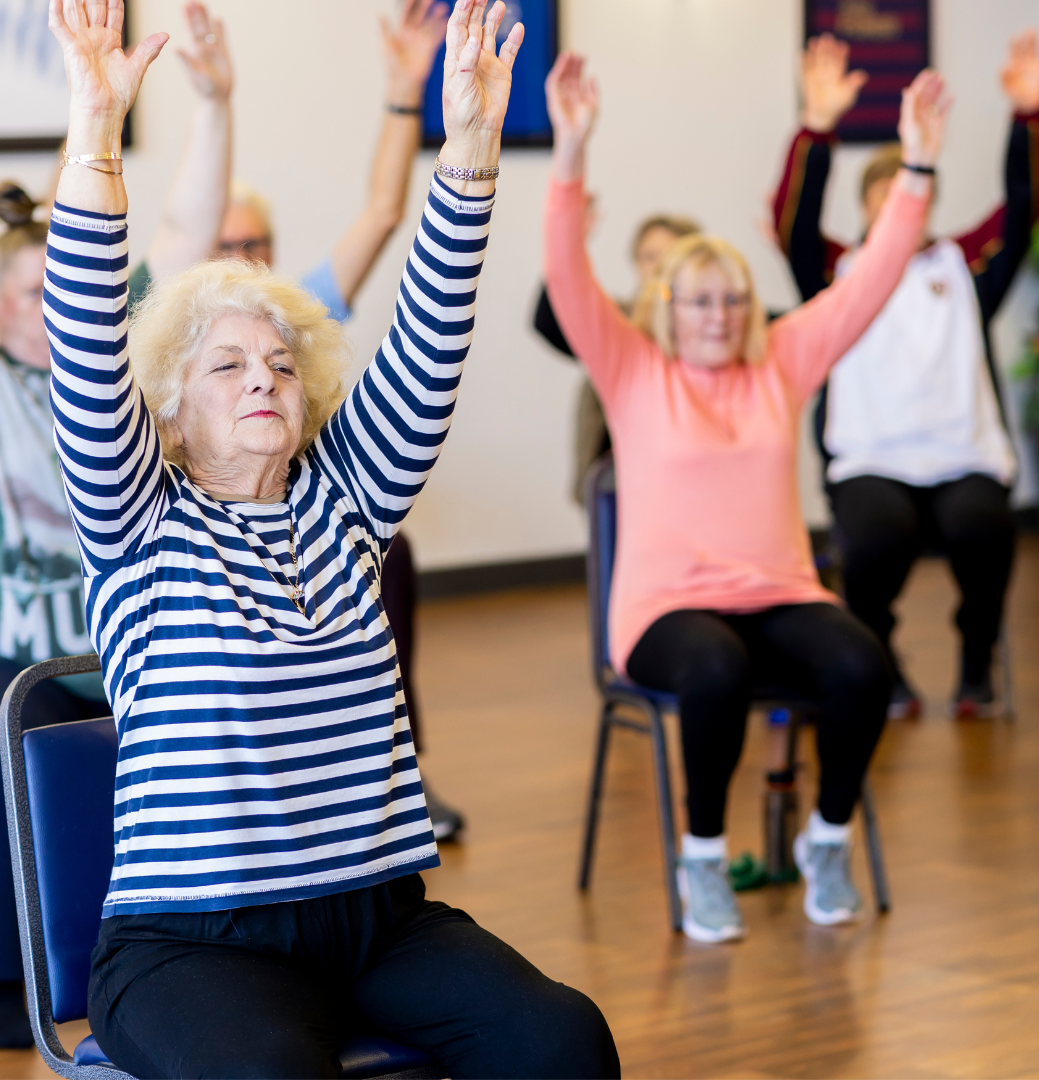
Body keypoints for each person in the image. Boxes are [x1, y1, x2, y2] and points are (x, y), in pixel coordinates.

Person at [44, 1, 620, 1076]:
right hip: (188, 943)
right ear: (166, 413)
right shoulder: (140, 520)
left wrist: (474, 150)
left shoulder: (346, 500)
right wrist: (94, 136)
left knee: (563, 1039)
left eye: (279, 363)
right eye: (225, 365)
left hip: (378, 922)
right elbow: (82, 334)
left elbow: (431, 331)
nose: (262, 375)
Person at [544, 52, 949, 943]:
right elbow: (567, 278)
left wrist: (916, 168)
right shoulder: (633, 370)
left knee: (861, 664)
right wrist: (569, 150)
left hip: (776, 593)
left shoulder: (783, 360)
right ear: (667, 309)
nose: (721, 316)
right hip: (664, 611)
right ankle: (702, 860)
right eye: (700, 302)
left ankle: (827, 838)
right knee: (715, 670)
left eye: (734, 300)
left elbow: (872, 279)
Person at [0, 2, 234, 1048]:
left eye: (50, 286)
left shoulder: (123, 351)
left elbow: (186, 226)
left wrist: (215, 101)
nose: (35, 307)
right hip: (25, 667)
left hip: (127, 655)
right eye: (14, 294)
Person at [198, 0, 466, 840]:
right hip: (214, 564)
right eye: (228, 242)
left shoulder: (294, 315)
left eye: (259, 242)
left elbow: (383, 212)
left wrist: (403, 92)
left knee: (389, 559)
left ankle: (396, 778)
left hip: (321, 540)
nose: (248, 258)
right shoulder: (174, 341)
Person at [772, 31, 1039, 718]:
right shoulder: (839, 274)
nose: (903, 209)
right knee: (872, 541)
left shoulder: (966, 266)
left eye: (914, 194)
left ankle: (975, 663)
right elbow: (795, 225)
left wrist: (1030, 117)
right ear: (870, 211)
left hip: (963, 457)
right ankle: (881, 661)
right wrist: (816, 127)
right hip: (873, 460)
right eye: (886, 198)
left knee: (987, 530)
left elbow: (1024, 207)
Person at [533, 208, 700, 503]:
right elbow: (548, 321)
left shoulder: (715, 327)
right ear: (636, 263)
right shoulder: (615, 320)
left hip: (691, 475)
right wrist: (568, 243)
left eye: (671, 255)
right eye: (649, 256)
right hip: (614, 480)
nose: (659, 265)